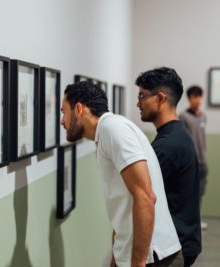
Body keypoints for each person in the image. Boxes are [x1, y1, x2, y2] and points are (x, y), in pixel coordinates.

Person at [60, 81, 182, 267]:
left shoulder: (112, 130)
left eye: (63, 112)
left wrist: (138, 262)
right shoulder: (108, 131)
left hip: (153, 257)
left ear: (78, 109)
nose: (62, 120)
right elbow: (124, 204)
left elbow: (145, 197)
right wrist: (117, 256)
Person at [135, 67, 202, 267]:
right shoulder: (176, 134)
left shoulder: (167, 145)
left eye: (142, 96)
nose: (138, 103)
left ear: (160, 98)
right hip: (184, 238)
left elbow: (142, 197)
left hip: (173, 248)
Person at [179, 86, 208, 230]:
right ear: (189, 98)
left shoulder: (203, 116)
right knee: (190, 193)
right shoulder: (183, 117)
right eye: (195, 96)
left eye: (200, 96)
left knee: (200, 191)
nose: (198, 99)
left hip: (203, 161)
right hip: (191, 162)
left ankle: (197, 219)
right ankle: (189, 222)